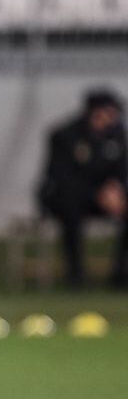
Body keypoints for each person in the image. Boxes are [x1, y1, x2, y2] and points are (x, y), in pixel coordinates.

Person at [39, 90, 128, 288]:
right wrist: (97, 194)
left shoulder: (116, 135)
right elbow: (61, 178)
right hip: (69, 197)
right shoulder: (65, 135)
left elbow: (121, 170)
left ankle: (121, 273)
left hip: (105, 199)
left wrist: (117, 190)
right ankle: (76, 274)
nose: (113, 117)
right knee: (70, 209)